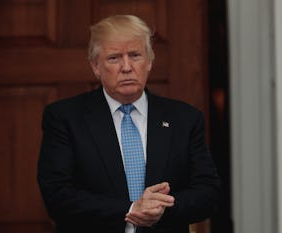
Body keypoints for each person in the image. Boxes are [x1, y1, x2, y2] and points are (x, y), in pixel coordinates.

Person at [37, 14, 220, 233]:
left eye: (135, 55)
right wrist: (131, 209)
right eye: (114, 58)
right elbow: (57, 196)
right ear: (96, 66)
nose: (126, 67)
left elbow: (208, 192)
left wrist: (161, 209)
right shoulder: (65, 118)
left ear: (149, 61)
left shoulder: (184, 118)